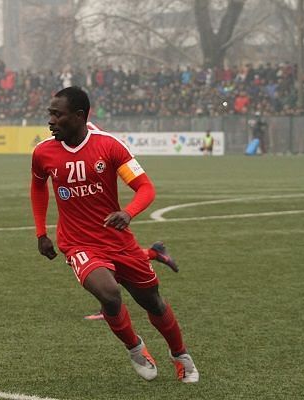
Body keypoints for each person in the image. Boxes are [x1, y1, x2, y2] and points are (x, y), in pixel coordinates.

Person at [31, 86, 198, 383]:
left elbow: (145, 188)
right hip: (79, 243)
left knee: (153, 302)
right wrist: (42, 232)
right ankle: (135, 348)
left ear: (79, 116)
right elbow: (38, 186)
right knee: (109, 295)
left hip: (118, 242)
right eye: (50, 114)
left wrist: (128, 213)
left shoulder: (109, 147)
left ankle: (180, 354)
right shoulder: (43, 152)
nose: (51, 121)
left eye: (58, 115)